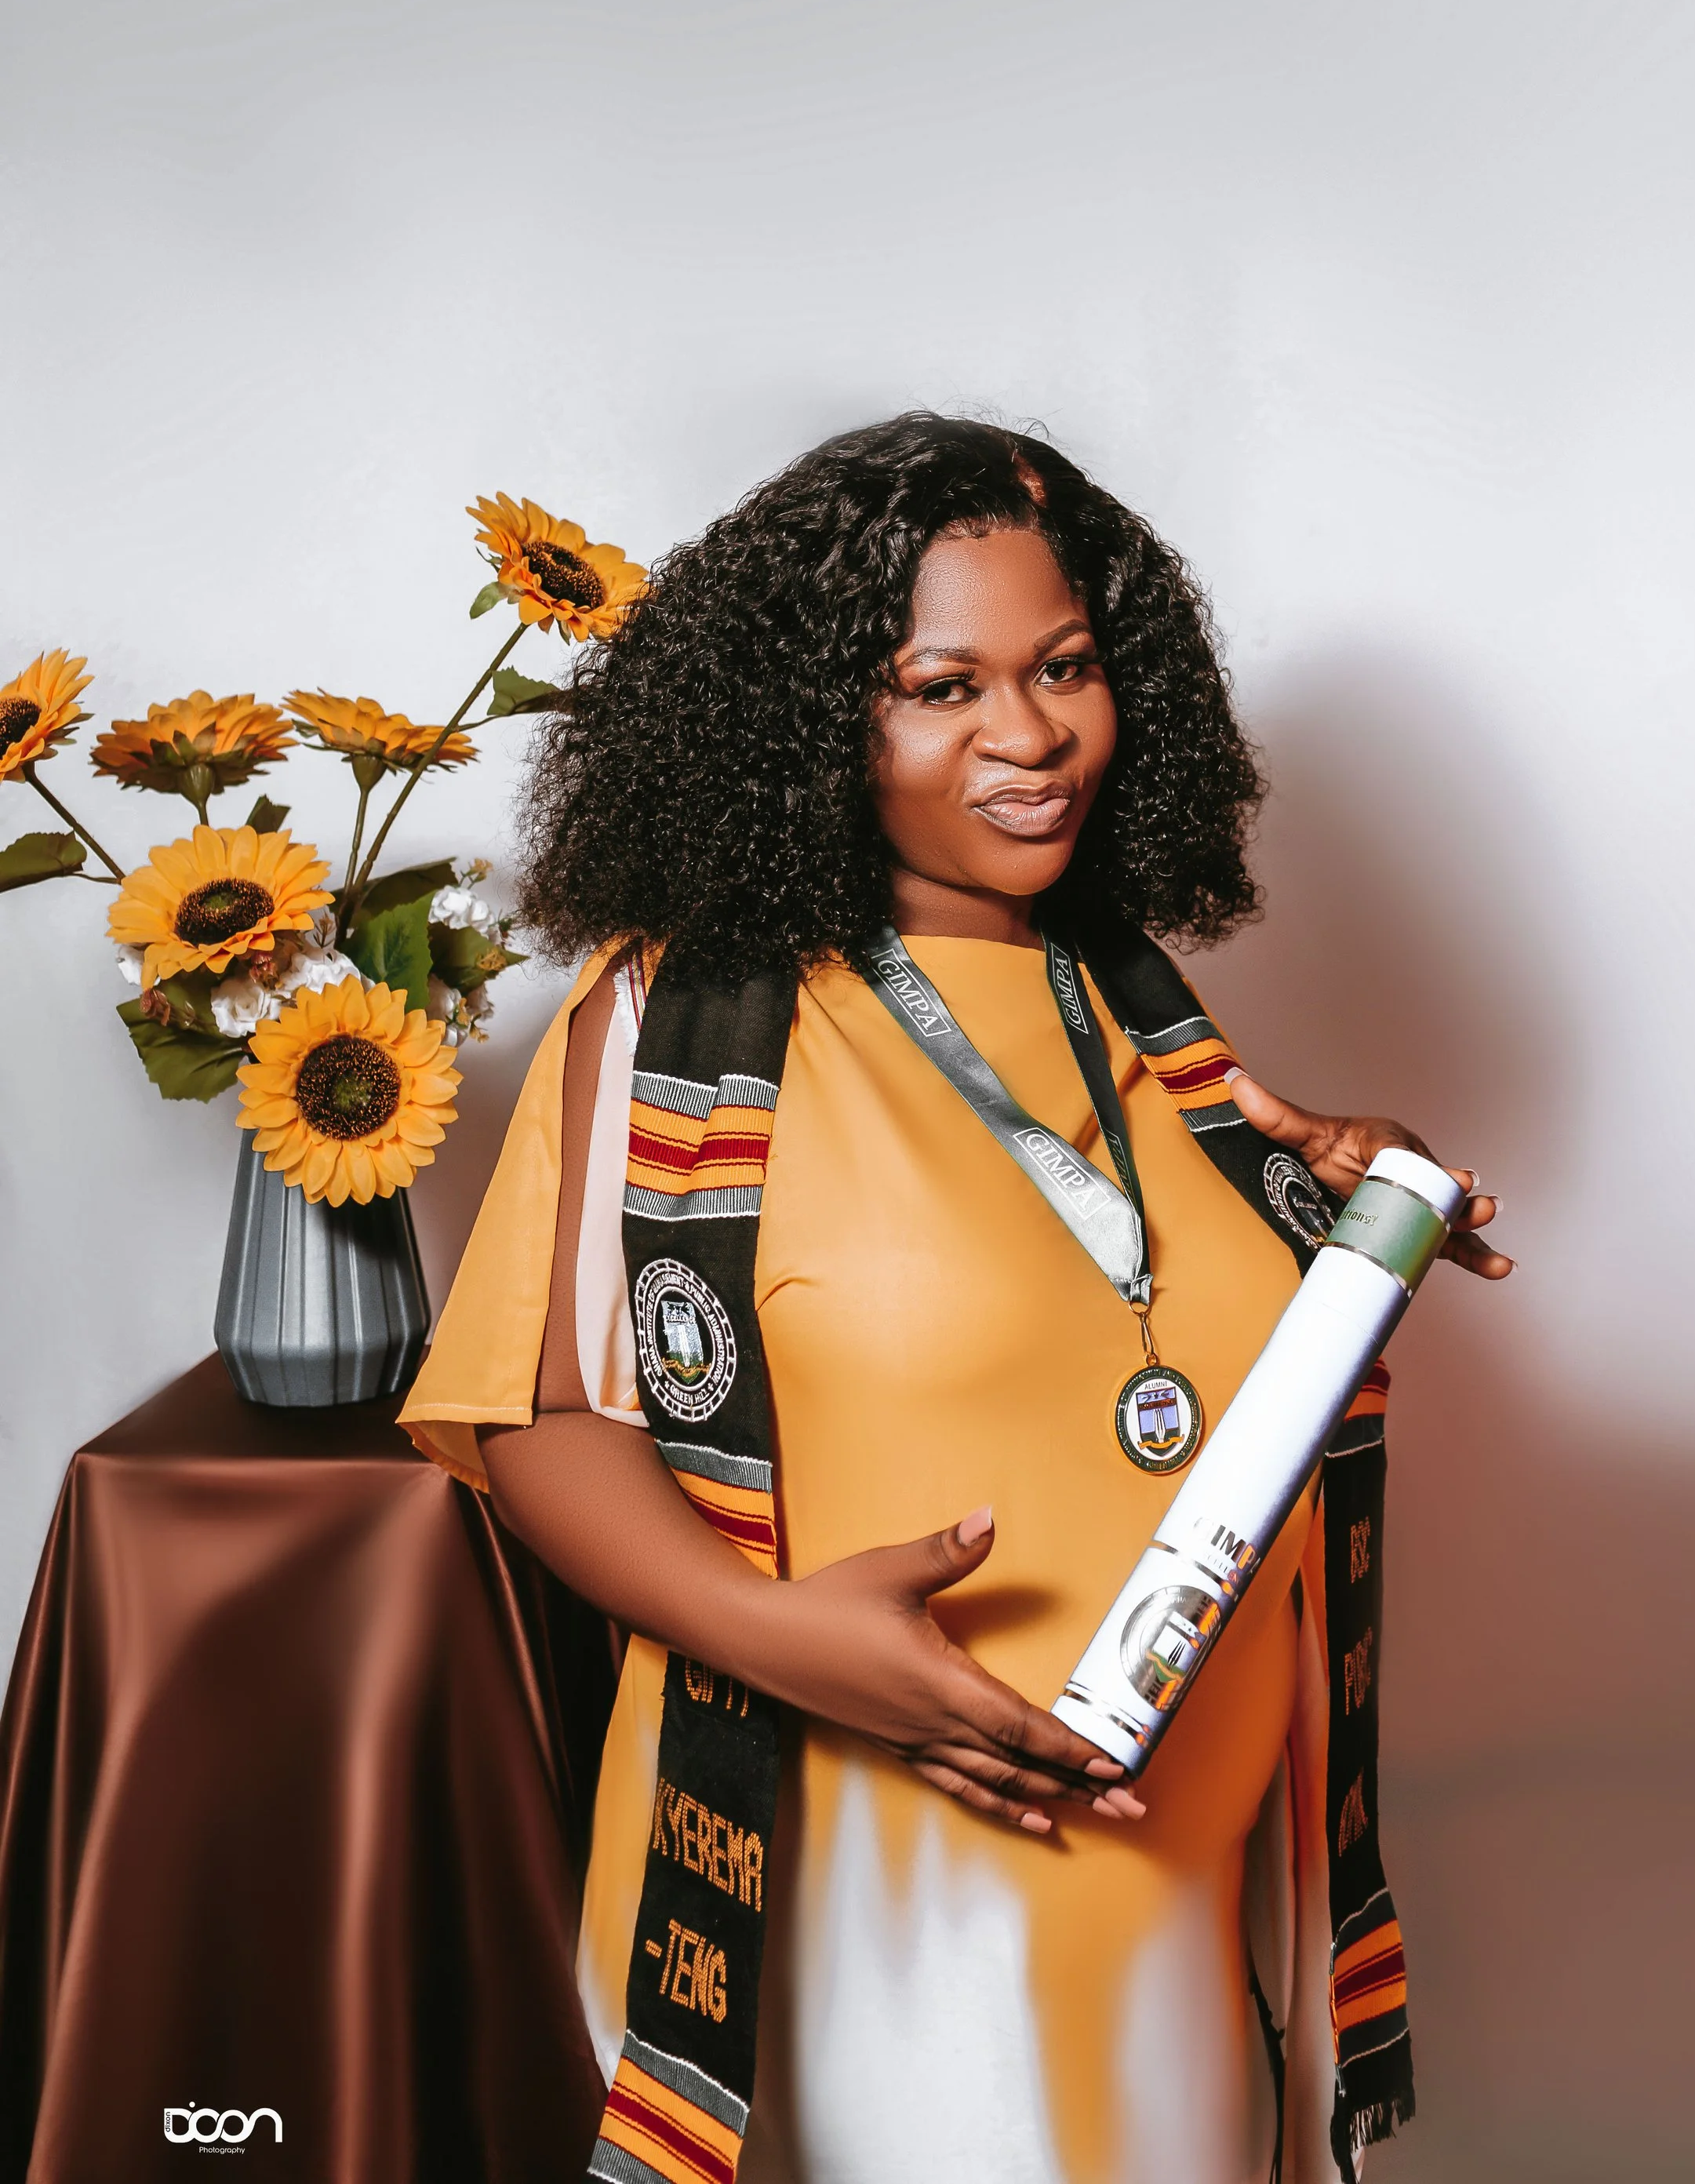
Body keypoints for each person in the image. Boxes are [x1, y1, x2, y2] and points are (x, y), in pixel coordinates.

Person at [399, 413, 1509, 2184]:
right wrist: (779, 1635)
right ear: (814, 719)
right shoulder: (684, 1024)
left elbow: (1150, 1328)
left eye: (1064, 665)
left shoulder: (1136, 1014)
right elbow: (538, 1418)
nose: (1030, 736)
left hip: (1173, 1890)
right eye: (944, 684)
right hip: (878, 1887)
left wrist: (1336, 1198)